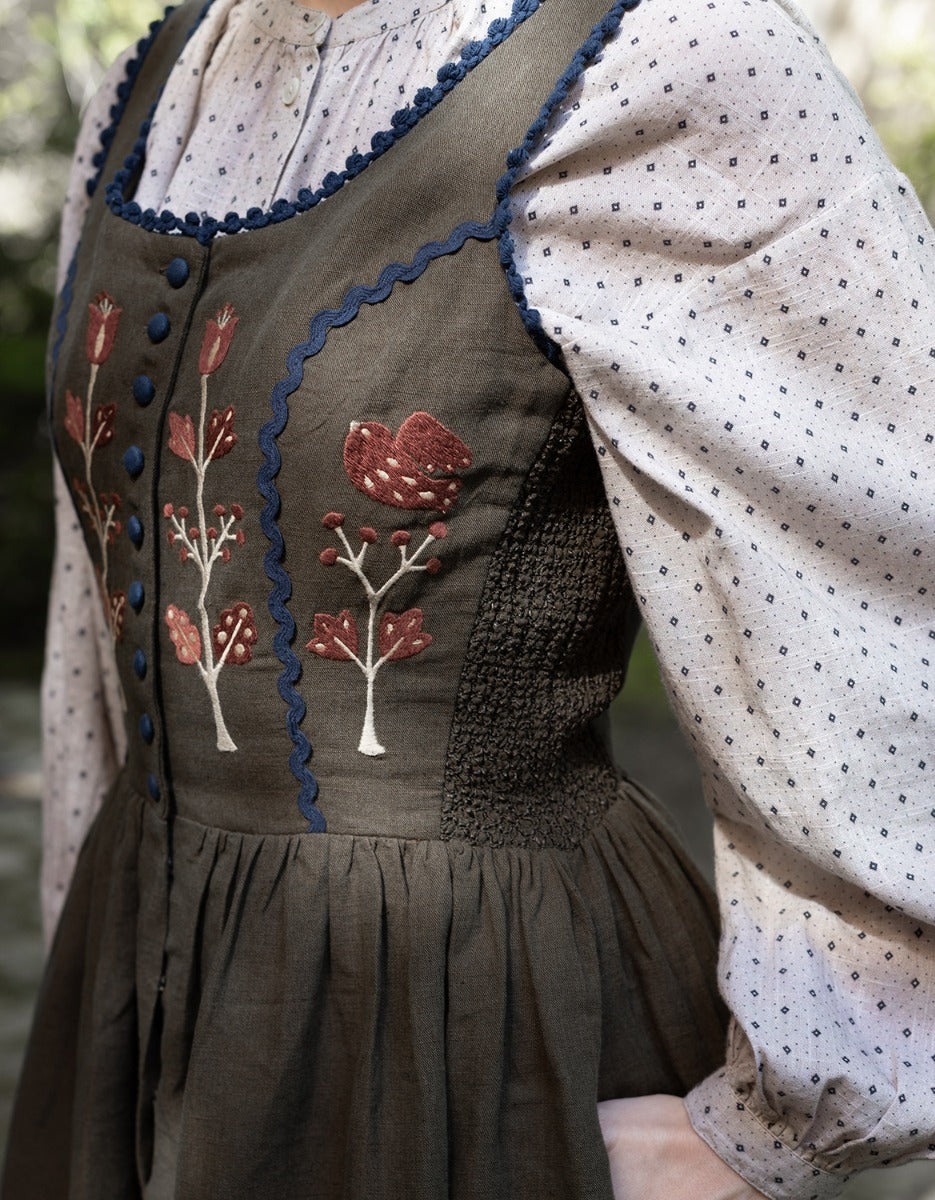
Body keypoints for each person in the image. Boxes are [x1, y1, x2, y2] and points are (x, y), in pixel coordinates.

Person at [3, 0, 934, 1195]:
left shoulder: (664, 59)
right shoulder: (159, 82)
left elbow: (889, 569)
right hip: (143, 991)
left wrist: (774, 1130)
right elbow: (100, 609)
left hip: (463, 1027)